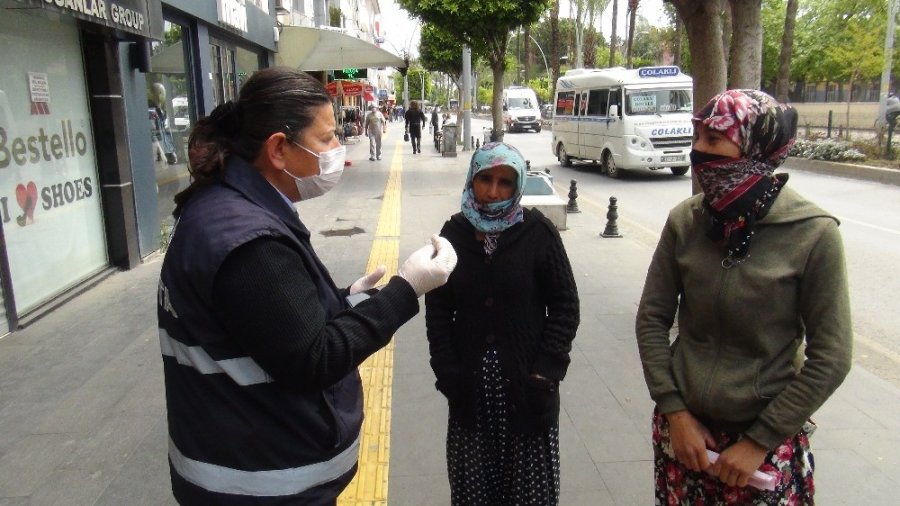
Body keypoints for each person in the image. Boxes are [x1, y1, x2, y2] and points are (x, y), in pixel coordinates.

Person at [157, 67, 458, 504]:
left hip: (241, 463)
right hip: (261, 483)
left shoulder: (229, 208)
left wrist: (344, 300)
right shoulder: (247, 240)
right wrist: (407, 289)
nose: (338, 150)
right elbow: (313, 358)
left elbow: (268, 323)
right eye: (326, 138)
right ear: (279, 149)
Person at [635, 89, 852, 504]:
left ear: (758, 148)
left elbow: (832, 356)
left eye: (713, 140)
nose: (698, 151)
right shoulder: (686, 220)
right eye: (696, 137)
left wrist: (758, 441)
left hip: (762, 452)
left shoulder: (814, 234)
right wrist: (675, 413)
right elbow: (652, 318)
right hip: (684, 438)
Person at [425, 142, 580, 505]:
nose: (493, 191)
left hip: (529, 392)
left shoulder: (538, 234)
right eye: (485, 179)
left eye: (505, 182)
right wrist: (448, 372)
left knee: (530, 495)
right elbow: (438, 312)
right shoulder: (453, 234)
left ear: (518, 185)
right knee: (473, 494)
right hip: (470, 395)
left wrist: (545, 374)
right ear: (471, 179)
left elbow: (565, 306)